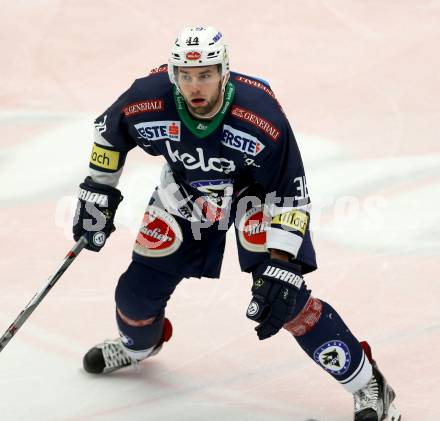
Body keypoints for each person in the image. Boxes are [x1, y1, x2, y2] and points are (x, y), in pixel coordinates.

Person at [72, 26, 401, 421]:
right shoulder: (146, 99)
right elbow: (108, 135)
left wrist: (282, 263)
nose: (195, 85)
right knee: (135, 292)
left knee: (285, 299)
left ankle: (368, 383)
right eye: (186, 75)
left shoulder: (260, 115)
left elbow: (290, 191)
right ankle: (139, 345)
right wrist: (97, 191)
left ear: (224, 72)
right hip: (186, 195)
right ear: (174, 73)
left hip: (256, 200)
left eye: (206, 74)